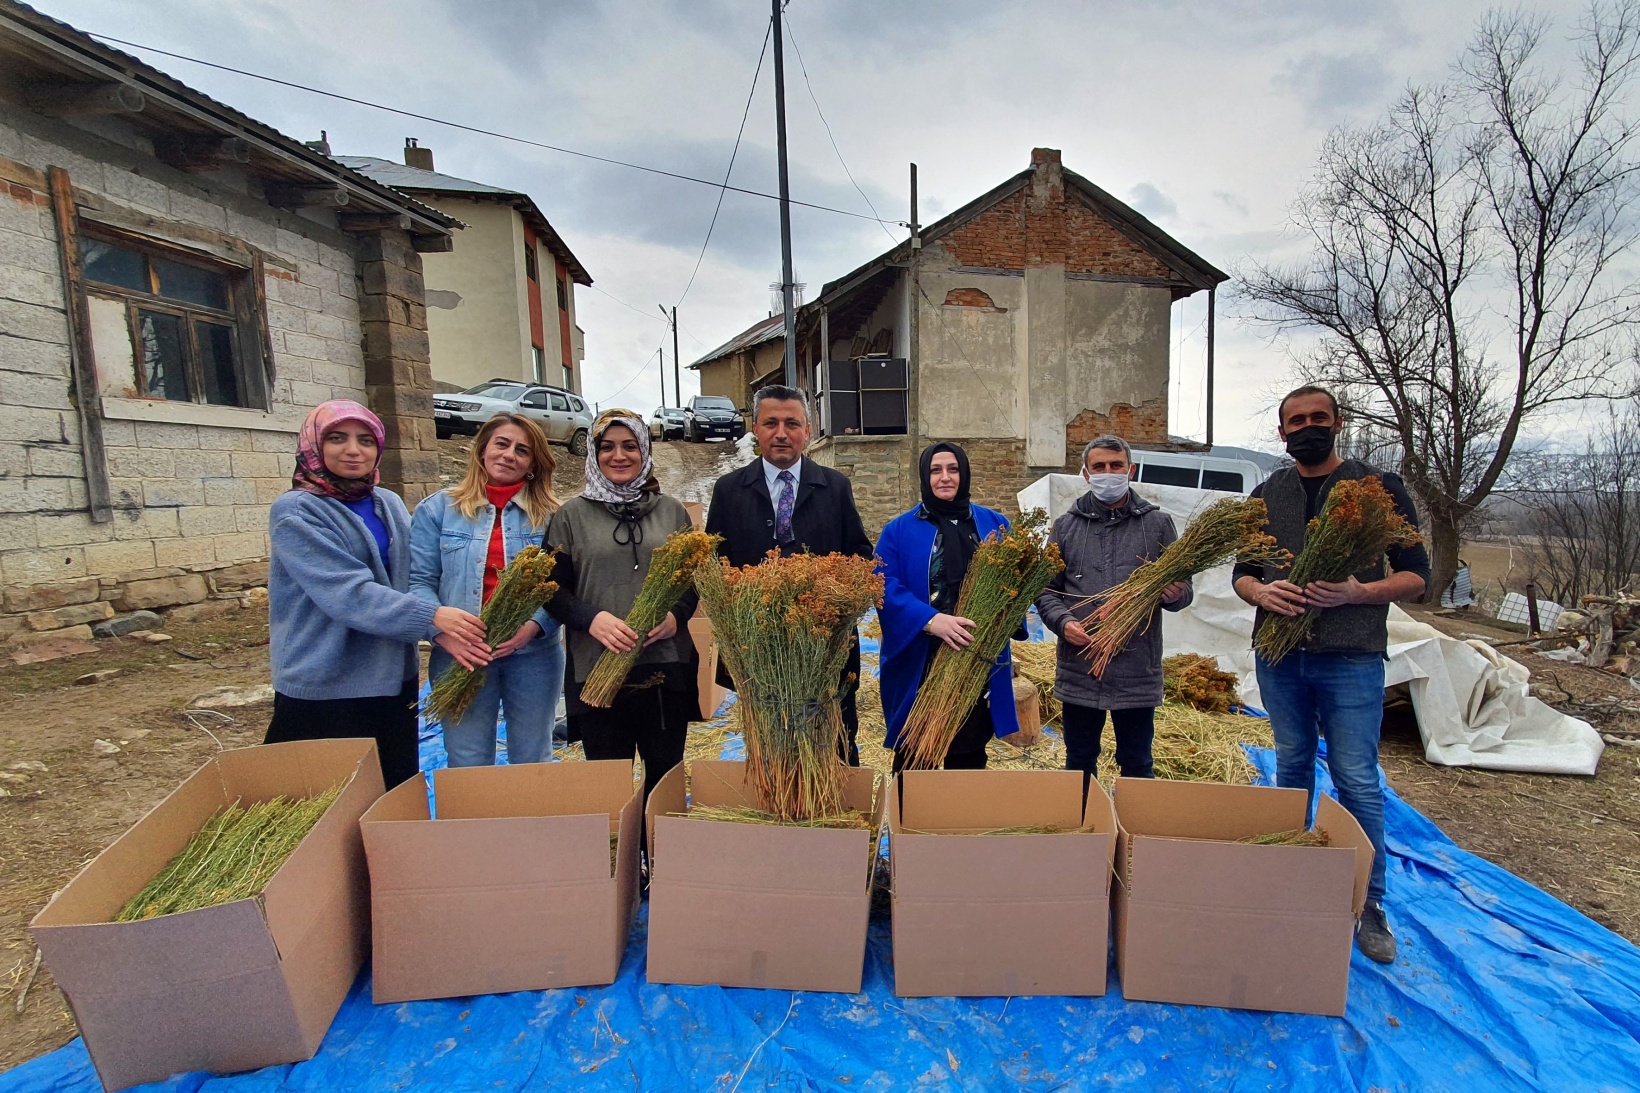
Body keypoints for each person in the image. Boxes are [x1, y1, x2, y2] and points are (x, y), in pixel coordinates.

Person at [1231, 385, 1429, 966]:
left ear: (1338, 423)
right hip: (1279, 655)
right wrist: (1259, 590)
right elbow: (1243, 572)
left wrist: (1360, 592)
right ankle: (1291, 877)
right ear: (1282, 431)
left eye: (1319, 418)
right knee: (1291, 765)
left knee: (1356, 779)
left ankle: (1369, 902)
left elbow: (1418, 574)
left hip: (1350, 655)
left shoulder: (1378, 489)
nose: (1308, 427)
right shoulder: (1268, 493)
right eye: (1298, 420)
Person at [265, 399, 485, 788]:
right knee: (321, 803)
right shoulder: (296, 511)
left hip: (389, 678)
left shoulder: (388, 502)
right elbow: (347, 592)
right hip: (326, 681)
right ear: (314, 445)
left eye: (365, 440)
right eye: (337, 438)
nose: (353, 450)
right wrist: (432, 618)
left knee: (391, 788)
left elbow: (413, 574)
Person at [704, 384, 874, 764]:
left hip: (825, 644)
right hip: (758, 647)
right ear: (756, 428)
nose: (781, 433)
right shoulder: (730, 491)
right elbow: (716, 564)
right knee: (771, 747)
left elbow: (861, 554)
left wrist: (834, 594)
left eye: (792, 423)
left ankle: (837, 817)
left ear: (808, 431)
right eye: (771, 423)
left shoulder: (835, 488)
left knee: (836, 742)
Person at [546, 410, 699, 801]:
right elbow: (550, 590)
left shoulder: (672, 512)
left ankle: (660, 857)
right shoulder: (570, 517)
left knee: (664, 779)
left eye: (630, 446)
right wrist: (591, 618)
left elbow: (692, 581)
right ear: (594, 454)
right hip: (597, 667)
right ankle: (624, 860)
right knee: (609, 782)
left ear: (644, 450)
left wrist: (674, 616)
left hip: (664, 664)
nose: (619, 455)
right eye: (607, 447)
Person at [1036, 435, 1192, 795]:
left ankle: (1134, 839)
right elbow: (1044, 590)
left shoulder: (1157, 525)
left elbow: (1184, 589)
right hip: (1080, 666)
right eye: (1099, 467)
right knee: (1079, 760)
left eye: (1116, 466)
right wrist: (1063, 623)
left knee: (1137, 762)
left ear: (1130, 470)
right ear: (1086, 474)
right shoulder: (1066, 527)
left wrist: (1176, 592)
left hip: (1137, 668)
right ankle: (1084, 835)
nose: (1108, 473)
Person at [410, 413, 565, 767]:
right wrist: (441, 632)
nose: (510, 455)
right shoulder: (438, 510)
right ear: (482, 450)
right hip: (459, 654)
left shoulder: (553, 516)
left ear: (532, 464)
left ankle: (527, 824)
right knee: (467, 759)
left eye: (522, 450)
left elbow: (564, 586)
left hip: (533, 655)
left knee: (533, 759)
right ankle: (476, 825)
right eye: (502, 444)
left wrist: (535, 625)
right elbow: (417, 581)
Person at [876, 442, 1021, 770]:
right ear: (924, 477)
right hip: (922, 656)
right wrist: (930, 620)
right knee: (915, 749)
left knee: (969, 751)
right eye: (935, 470)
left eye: (953, 469)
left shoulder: (993, 525)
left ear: (965, 474)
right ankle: (910, 819)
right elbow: (884, 584)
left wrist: (1001, 618)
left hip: (975, 654)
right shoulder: (898, 530)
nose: (945, 478)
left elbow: (1017, 582)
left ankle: (960, 818)